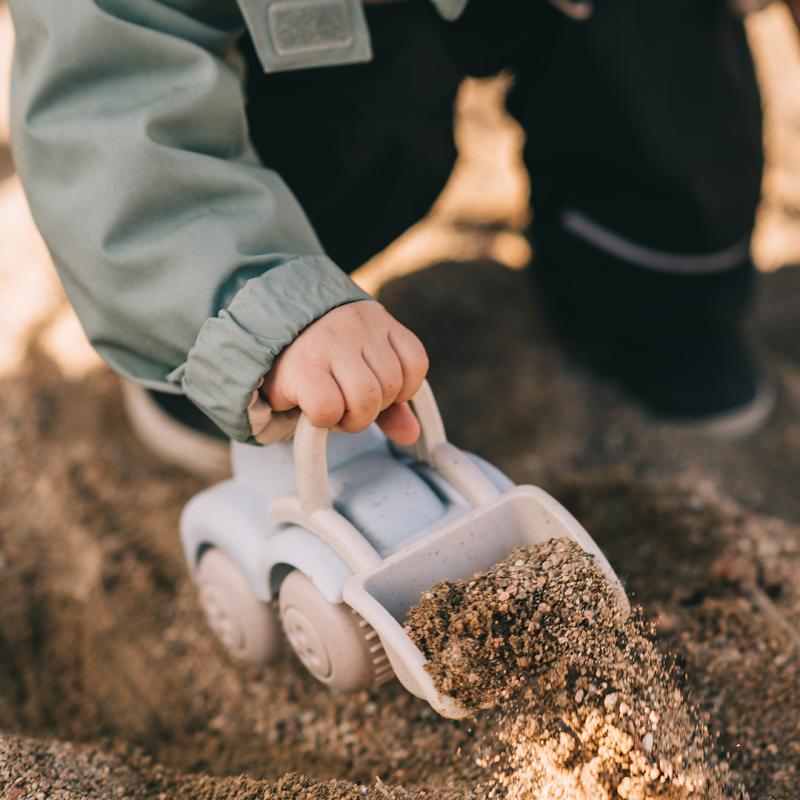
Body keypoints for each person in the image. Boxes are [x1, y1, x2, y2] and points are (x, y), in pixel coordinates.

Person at [8, 0, 789, 473]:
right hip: (318, 35)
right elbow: (112, 96)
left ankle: (653, 284)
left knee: (657, 44)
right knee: (353, 121)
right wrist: (255, 308)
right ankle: (219, 352)